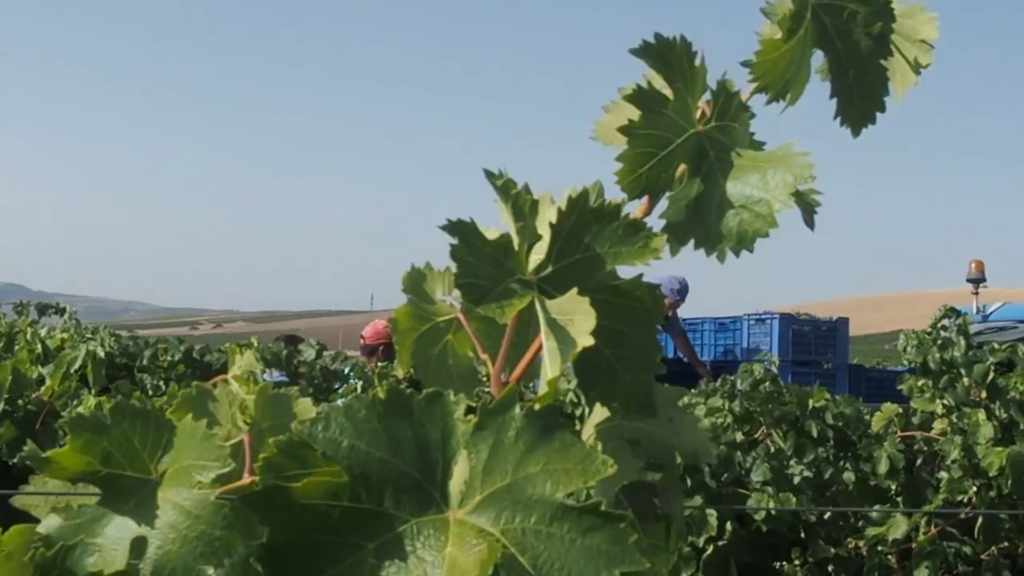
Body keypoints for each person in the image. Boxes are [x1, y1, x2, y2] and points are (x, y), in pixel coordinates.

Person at [658, 275, 713, 381]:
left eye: (677, 306)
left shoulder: (669, 313)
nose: (671, 311)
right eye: (671, 305)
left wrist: (699, 366)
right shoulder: (638, 304)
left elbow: (679, 337)